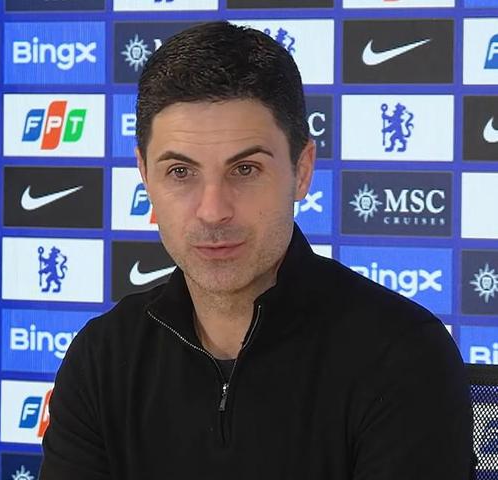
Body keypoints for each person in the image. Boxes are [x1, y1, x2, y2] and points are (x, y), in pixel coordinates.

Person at [40, 21, 473, 479]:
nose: (213, 211)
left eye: (245, 169)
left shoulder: (403, 357)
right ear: (145, 175)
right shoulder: (102, 357)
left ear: (302, 170)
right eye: (181, 172)